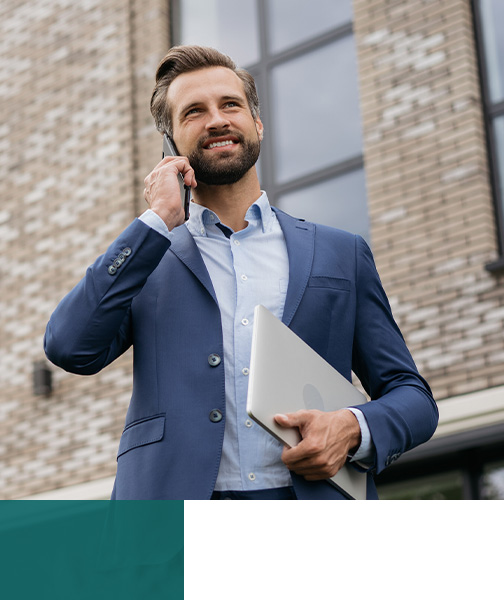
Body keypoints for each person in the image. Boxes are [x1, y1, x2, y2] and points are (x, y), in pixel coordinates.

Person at [43, 45, 438, 500]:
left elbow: (413, 398)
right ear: (170, 143)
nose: (216, 120)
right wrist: (156, 220)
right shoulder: (146, 258)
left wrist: (351, 427)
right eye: (194, 112)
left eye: (230, 105)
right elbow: (70, 347)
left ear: (258, 125)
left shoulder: (340, 253)